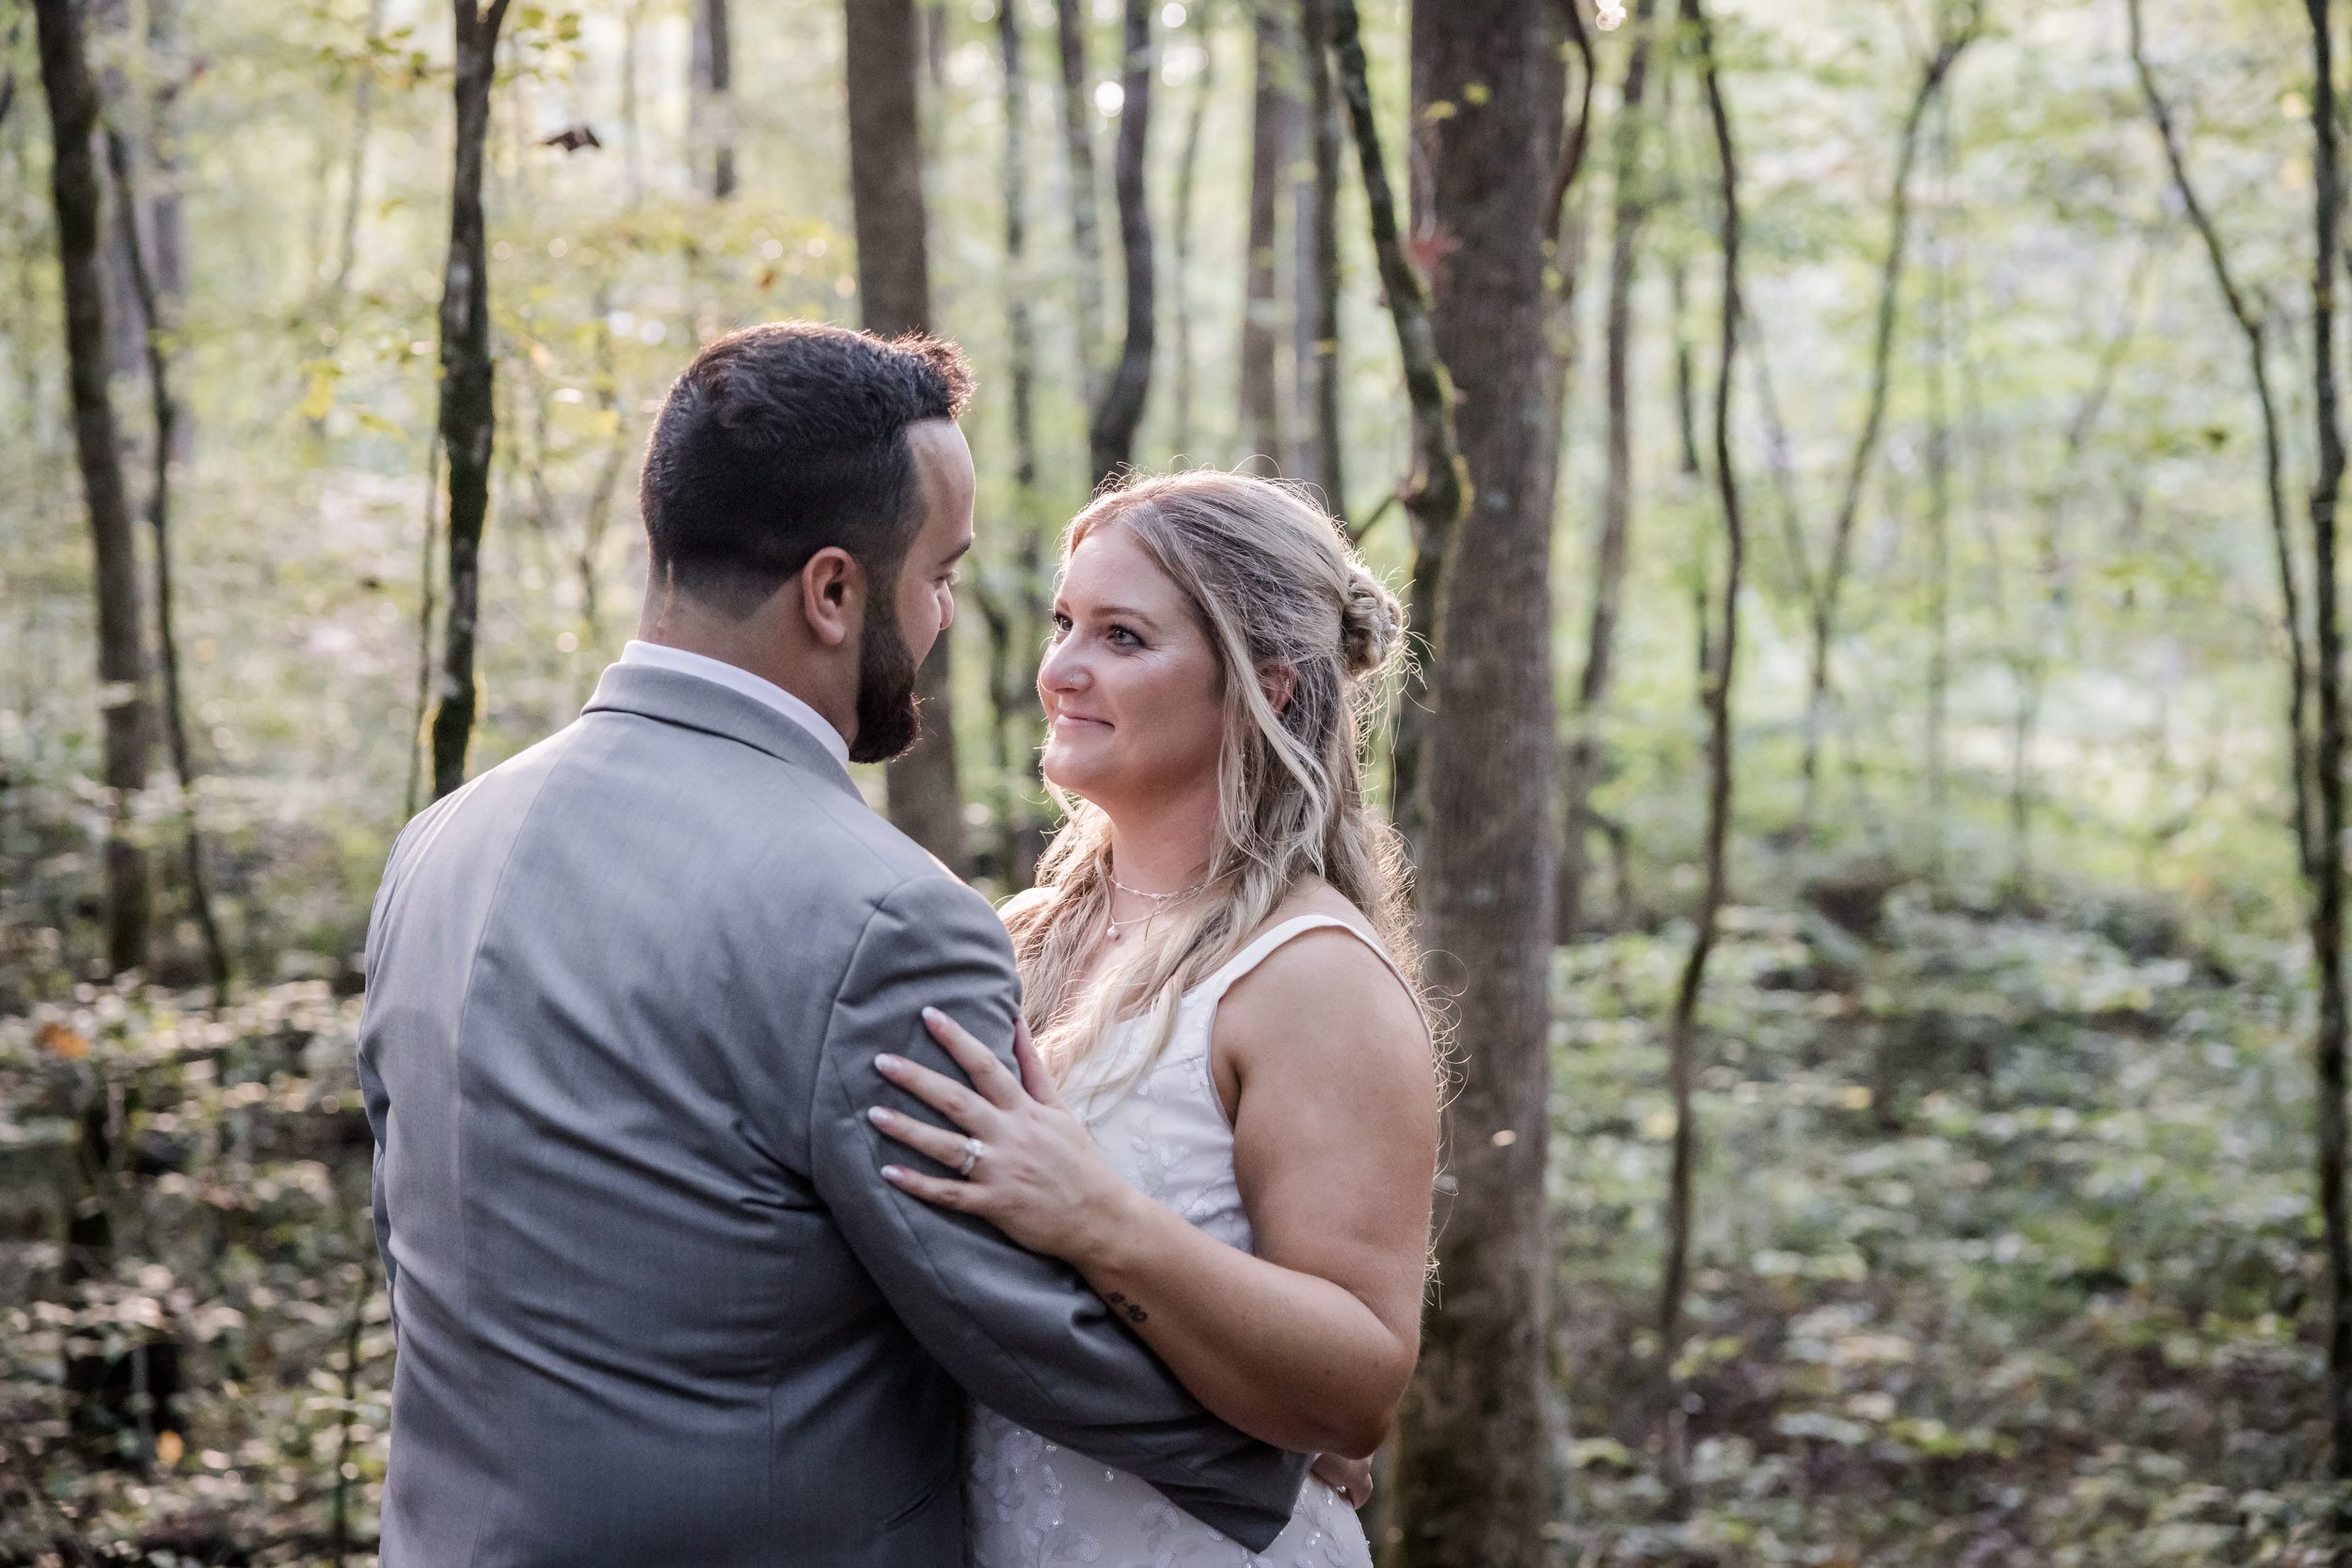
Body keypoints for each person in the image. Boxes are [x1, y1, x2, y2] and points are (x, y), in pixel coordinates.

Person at [355, 324, 1305, 1568]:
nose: (951, 617)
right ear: (834, 590)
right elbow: (1014, 1326)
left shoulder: (438, 841)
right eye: (941, 576)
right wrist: (1281, 1442)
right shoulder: (881, 915)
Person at [866, 471, 1440, 1567]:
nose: (1060, 671)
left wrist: (1094, 1214)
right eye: (1064, 622)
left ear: (1264, 687)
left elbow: (1356, 1385)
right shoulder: (1021, 935)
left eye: (1124, 637)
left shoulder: (1308, 972)